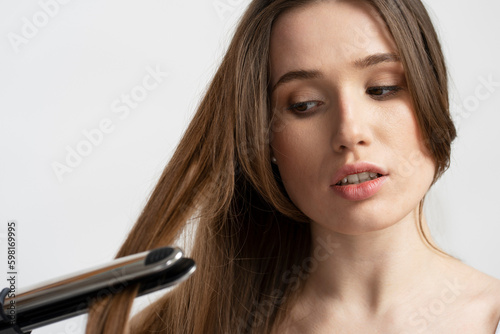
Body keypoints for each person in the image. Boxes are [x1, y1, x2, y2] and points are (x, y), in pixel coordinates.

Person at [86, 0, 500, 333]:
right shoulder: (179, 326)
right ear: (264, 136)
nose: (349, 131)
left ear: (434, 100)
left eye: (382, 88)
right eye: (303, 105)